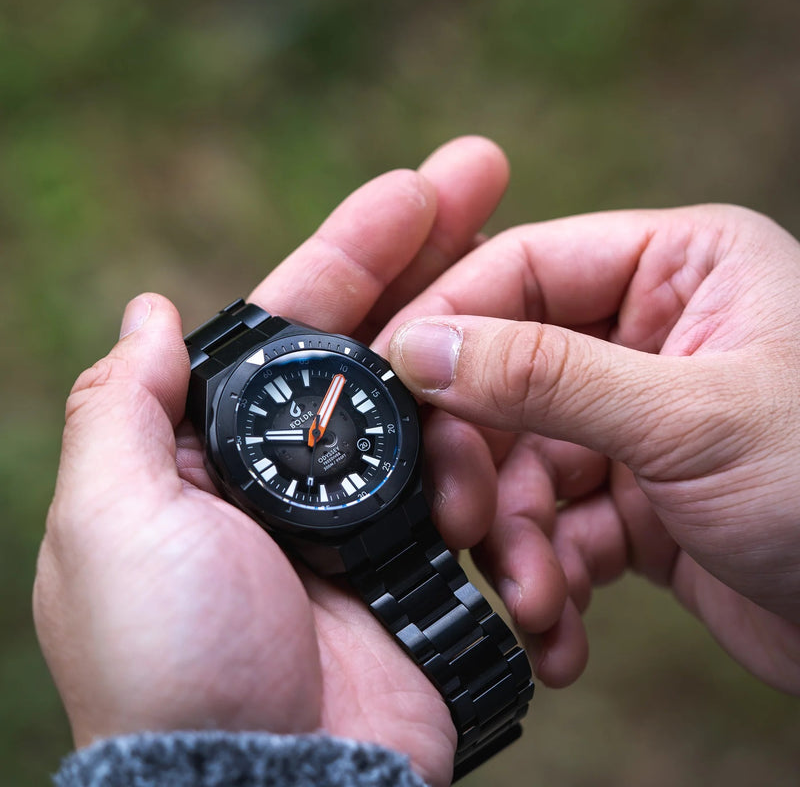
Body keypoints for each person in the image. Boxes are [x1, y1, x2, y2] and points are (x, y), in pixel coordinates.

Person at [34, 137, 800, 787]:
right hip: (358, 523)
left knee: (458, 503)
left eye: (321, 423)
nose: (316, 435)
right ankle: (475, 709)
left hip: (391, 499)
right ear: (238, 481)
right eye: (309, 437)